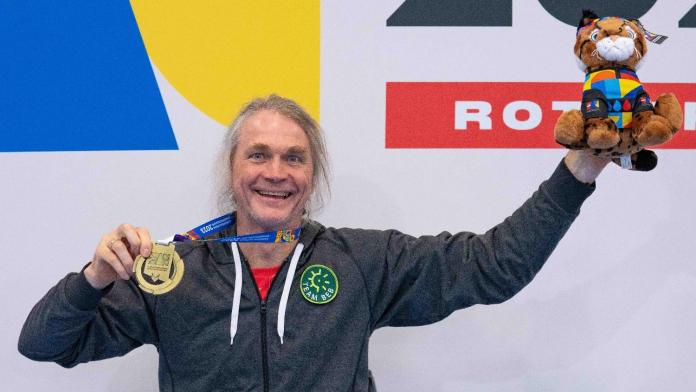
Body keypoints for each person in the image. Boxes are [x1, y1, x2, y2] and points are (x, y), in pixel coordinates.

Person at [19, 95, 609, 391]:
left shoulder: (363, 261)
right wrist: (94, 278)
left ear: (312, 176)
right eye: (259, 154)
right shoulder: (172, 271)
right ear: (232, 171)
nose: (276, 171)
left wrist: (578, 171)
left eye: (294, 157)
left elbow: (494, 267)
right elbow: (42, 345)